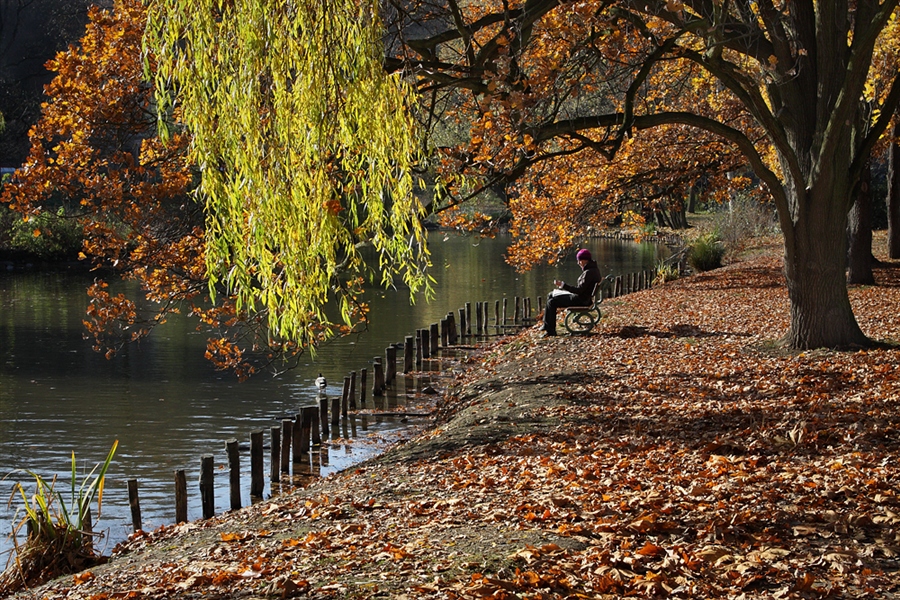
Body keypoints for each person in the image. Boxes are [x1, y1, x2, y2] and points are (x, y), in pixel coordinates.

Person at [538, 248, 602, 336]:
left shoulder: (589, 272)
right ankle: (546, 325)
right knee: (550, 295)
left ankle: (551, 331)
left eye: (579, 261)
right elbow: (581, 289)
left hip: (581, 300)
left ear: (584, 260)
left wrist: (563, 285)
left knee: (551, 302)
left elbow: (579, 290)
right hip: (584, 298)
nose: (578, 263)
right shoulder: (593, 270)